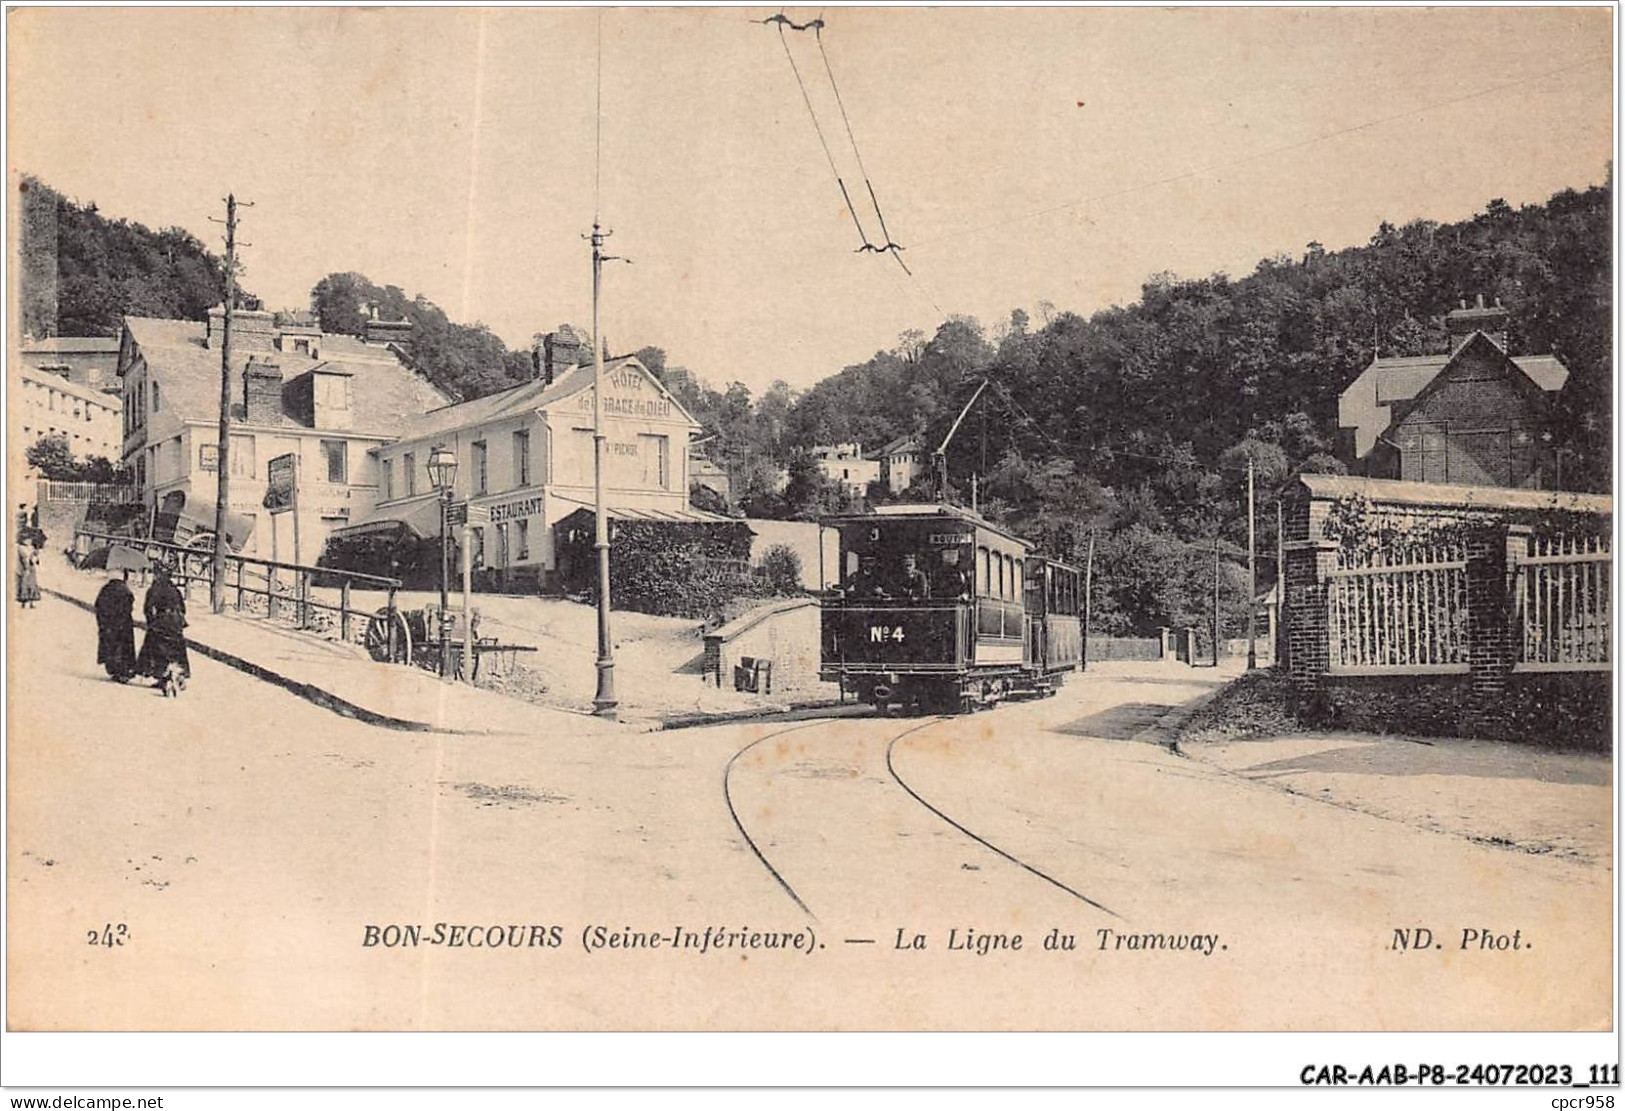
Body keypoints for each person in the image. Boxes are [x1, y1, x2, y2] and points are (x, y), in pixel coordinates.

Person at [136, 565, 190, 686]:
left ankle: (160, 675)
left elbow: (148, 608)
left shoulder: (154, 589)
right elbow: (183, 608)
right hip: (176, 623)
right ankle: (176, 673)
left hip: (161, 622)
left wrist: (151, 622)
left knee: (154, 648)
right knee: (175, 649)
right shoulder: (175, 589)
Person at [94, 572, 138, 681]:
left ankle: (114, 669)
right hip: (124, 623)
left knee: (111, 645)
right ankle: (124, 671)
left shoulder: (106, 589)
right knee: (124, 647)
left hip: (109, 623)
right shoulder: (126, 590)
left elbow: (98, 605)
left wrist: (102, 622)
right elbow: (129, 606)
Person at [15, 540, 40, 608]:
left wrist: (36, 556)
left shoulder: (33, 548)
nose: (29, 541)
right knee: (24, 584)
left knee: (32, 584)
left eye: (30, 540)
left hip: (32, 569)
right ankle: (23, 602)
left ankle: (31, 602)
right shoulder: (20, 548)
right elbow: (21, 559)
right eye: (27, 539)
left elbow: (37, 561)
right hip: (25, 568)